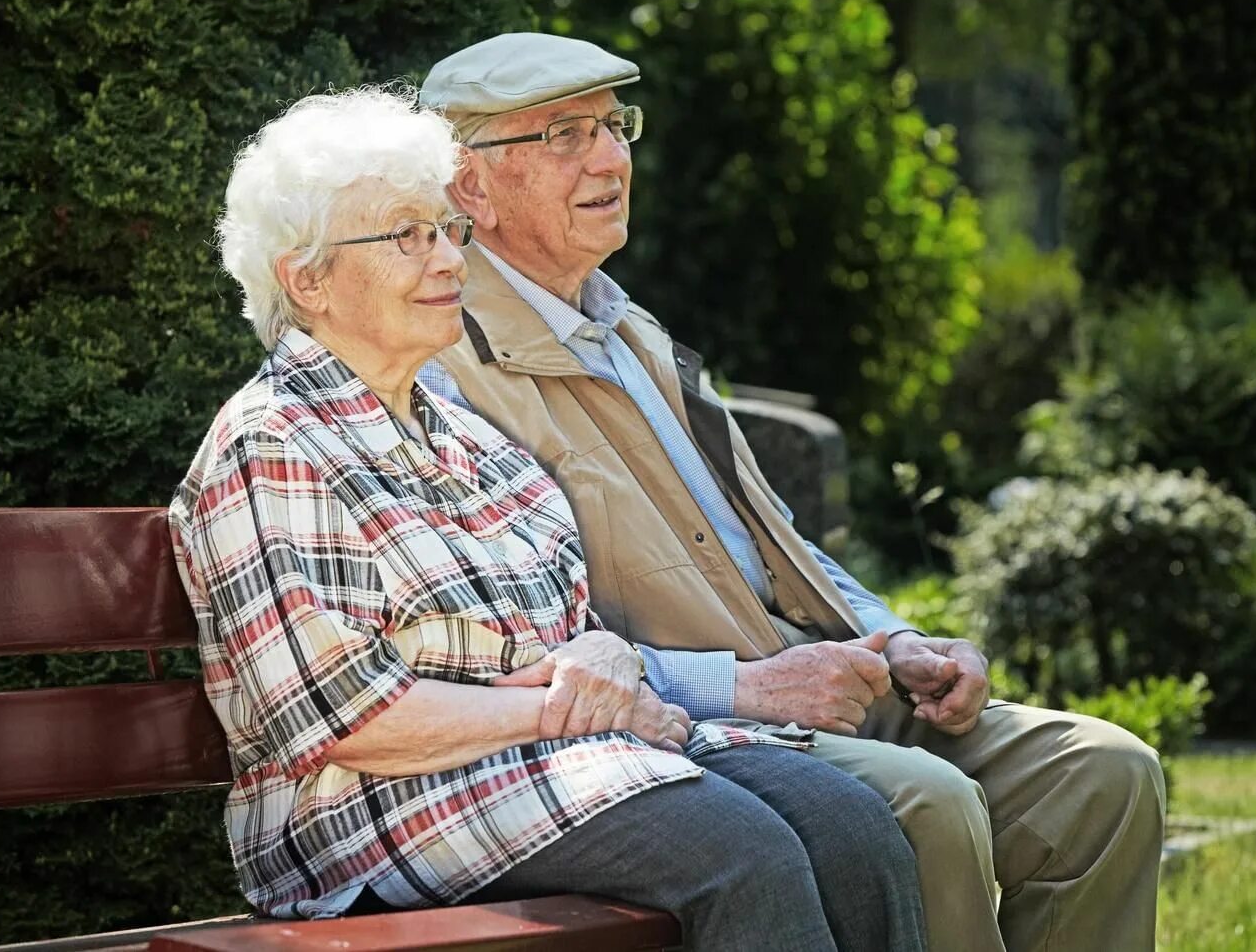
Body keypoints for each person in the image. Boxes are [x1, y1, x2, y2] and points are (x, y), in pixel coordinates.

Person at [419, 32, 1170, 952]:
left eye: (616, 127)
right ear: (470, 186)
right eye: (565, 134)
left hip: (822, 680)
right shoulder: (445, 366)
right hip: (701, 726)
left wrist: (894, 639)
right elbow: (516, 646)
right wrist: (759, 686)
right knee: (929, 805)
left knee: (1105, 773)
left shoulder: (628, 327)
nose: (611, 158)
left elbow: (772, 538)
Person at [168, 86, 926, 952]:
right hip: (371, 810)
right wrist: (570, 708)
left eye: (448, 230)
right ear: (307, 278)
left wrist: (602, 660)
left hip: (556, 758)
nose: (451, 260)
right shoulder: (275, 443)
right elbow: (354, 721)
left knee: (853, 827)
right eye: (406, 236)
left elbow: (573, 632)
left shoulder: (465, 436)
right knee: (743, 854)